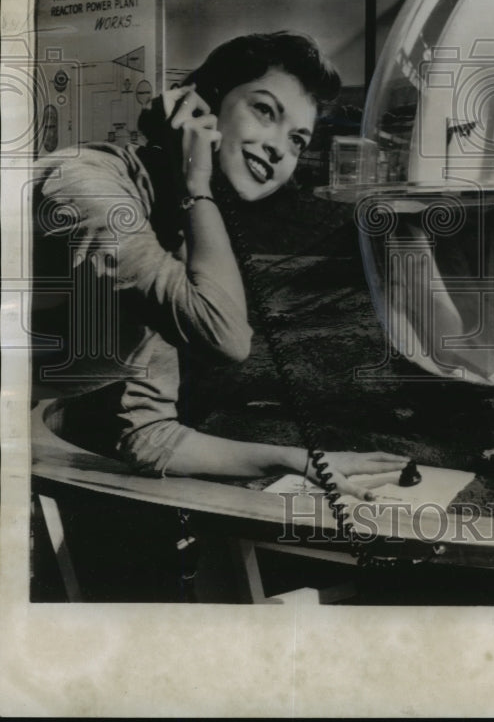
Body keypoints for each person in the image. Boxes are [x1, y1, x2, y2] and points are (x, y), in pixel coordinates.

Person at [32, 32, 406, 498]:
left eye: (297, 140)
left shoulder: (166, 234)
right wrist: (197, 186)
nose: (278, 149)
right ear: (200, 107)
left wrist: (298, 459)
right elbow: (225, 338)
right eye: (264, 111)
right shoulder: (88, 189)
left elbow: (146, 434)